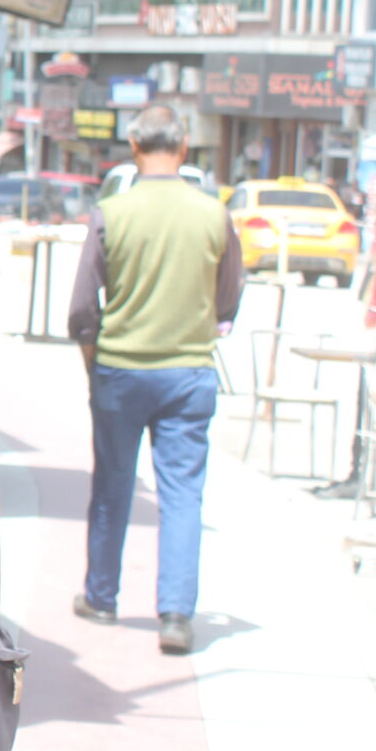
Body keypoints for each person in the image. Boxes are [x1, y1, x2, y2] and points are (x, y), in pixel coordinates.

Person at [68, 104, 245, 656]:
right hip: (189, 373)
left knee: (113, 486)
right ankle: (175, 616)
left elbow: (80, 310)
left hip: (121, 370)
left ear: (135, 148)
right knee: (183, 494)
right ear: (184, 148)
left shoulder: (111, 213)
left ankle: (101, 597)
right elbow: (230, 295)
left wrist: (94, 361)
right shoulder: (213, 215)